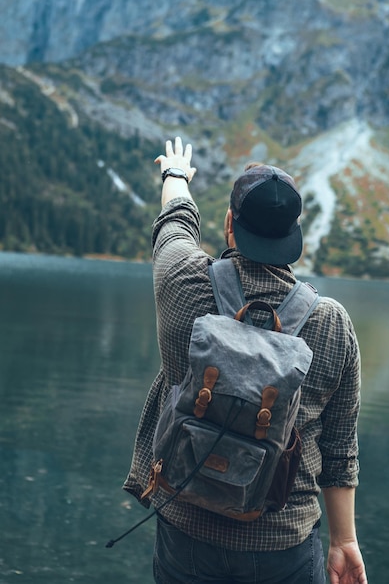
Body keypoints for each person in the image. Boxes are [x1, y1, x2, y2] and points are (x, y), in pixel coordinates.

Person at [123, 137, 367, 584]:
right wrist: (343, 542)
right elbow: (339, 451)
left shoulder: (183, 281)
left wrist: (176, 174)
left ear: (230, 223)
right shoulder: (332, 324)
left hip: (186, 531)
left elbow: (175, 224)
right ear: (294, 237)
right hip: (283, 543)